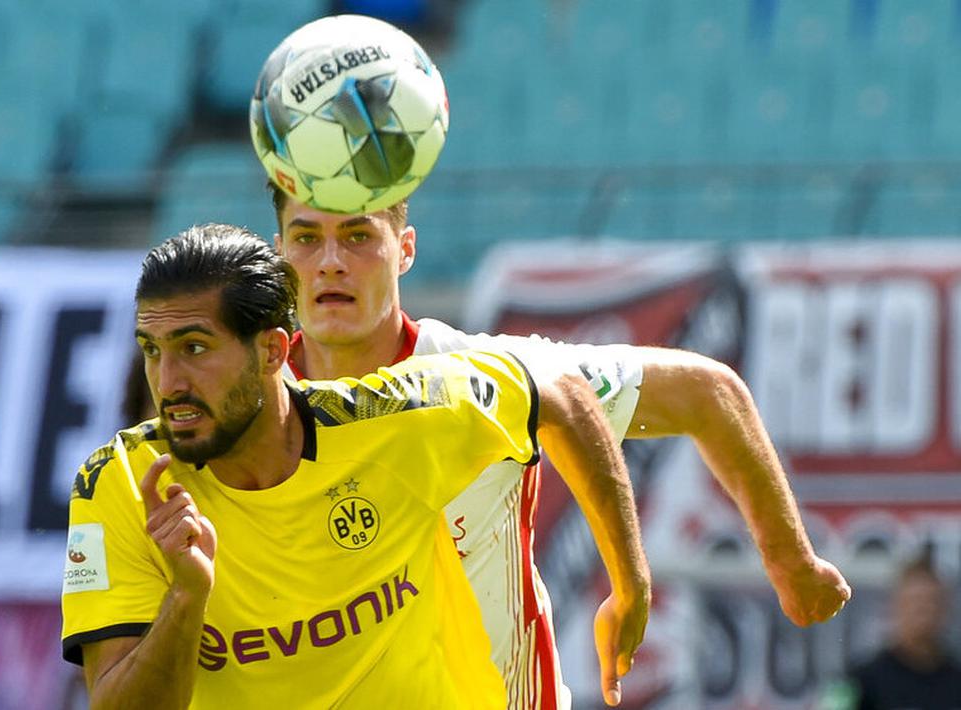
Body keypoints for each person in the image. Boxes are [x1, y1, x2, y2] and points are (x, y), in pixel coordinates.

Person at [268, 186, 853, 709]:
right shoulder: (243, 410)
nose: (331, 263)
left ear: (406, 249)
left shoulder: (493, 375)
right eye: (306, 239)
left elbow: (707, 392)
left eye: (358, 236)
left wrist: (790, 561)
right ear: (280, 254)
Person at [60, 224, 651, 708]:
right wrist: (186, 599)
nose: (168, 384)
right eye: (152, 352)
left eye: (194, 349)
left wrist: (629, 583)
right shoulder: (122, 482)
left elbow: (564, 394)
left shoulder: (393, 417)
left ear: (272, 349)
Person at [848, 555, 961, 710]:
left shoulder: (956, 678)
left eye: (932, 602)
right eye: (915, 603)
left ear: (946, 609)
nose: (924, 612)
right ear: (895, 606)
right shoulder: (862, 679)